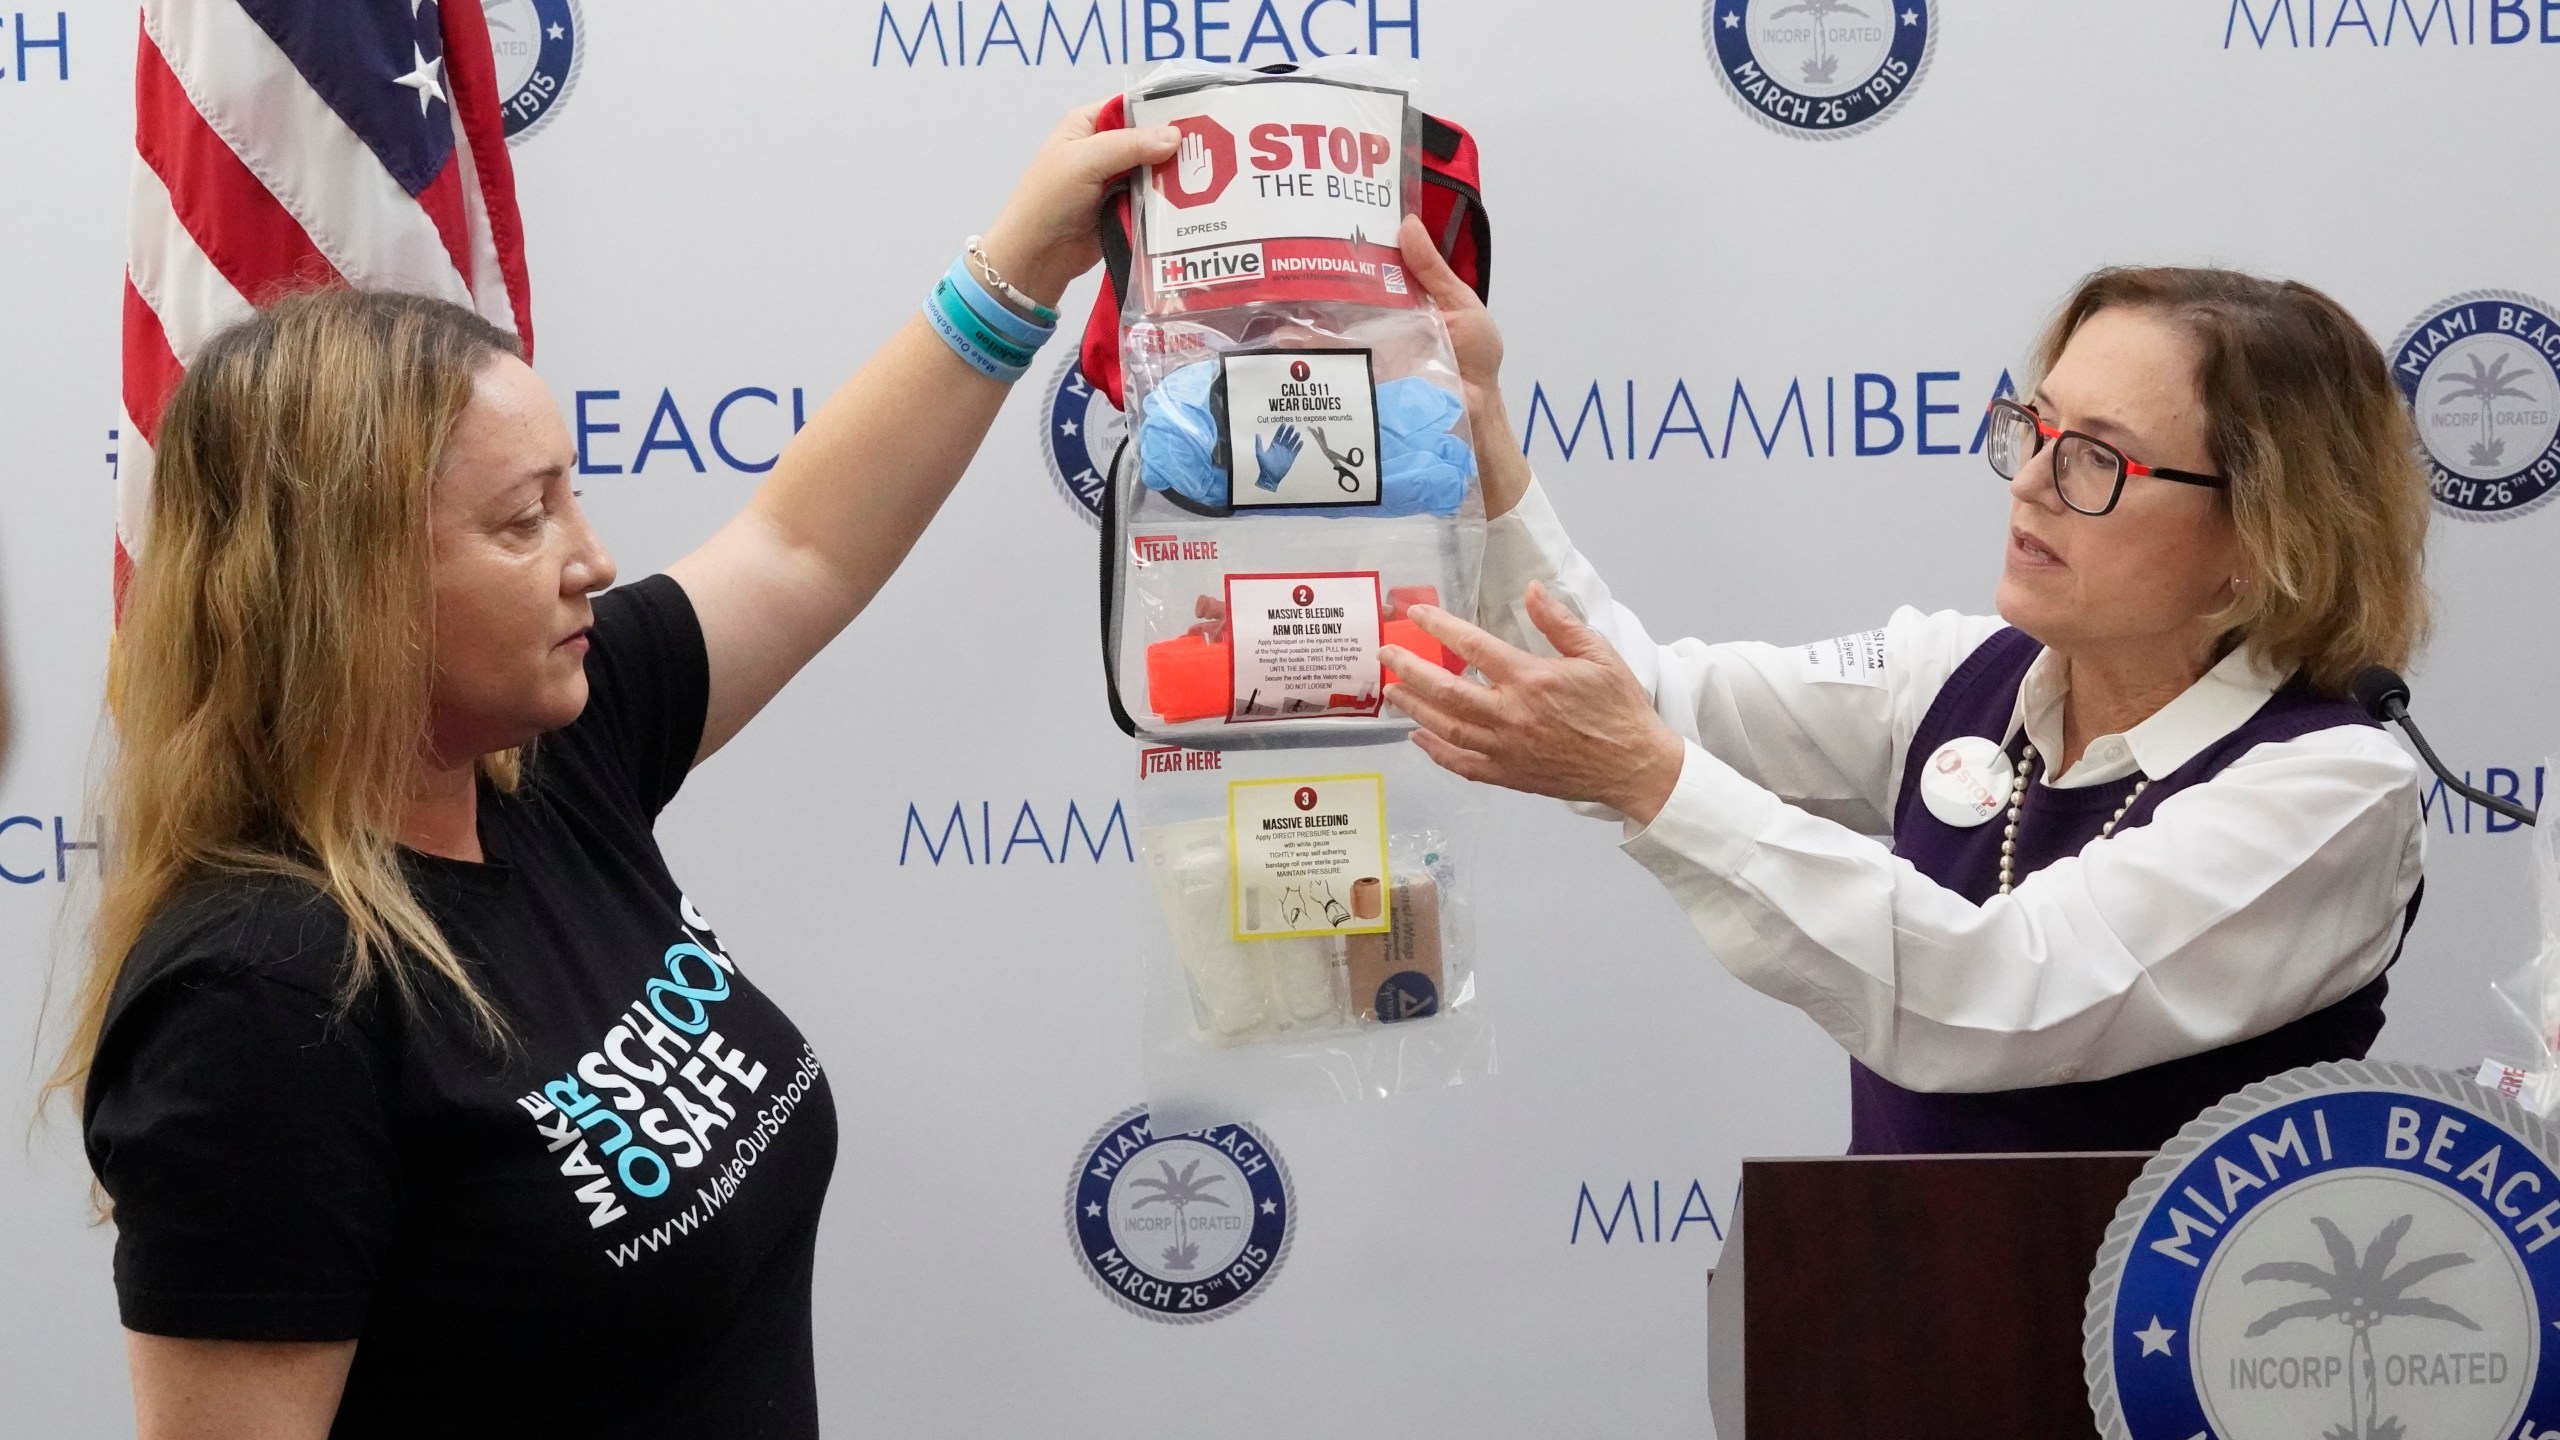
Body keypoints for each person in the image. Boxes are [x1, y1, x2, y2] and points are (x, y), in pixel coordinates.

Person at [52, 109, 1181, 1438]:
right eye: (524, 520)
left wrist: (1022, 261)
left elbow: (800, 547)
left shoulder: (544, 757)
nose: (591, 557)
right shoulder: (261, 1002)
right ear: (348, 590)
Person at [1377, 249, 2431, 1156]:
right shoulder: (1959, 676)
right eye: (2035, 426)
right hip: (1904, 1328)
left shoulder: (2330, 790)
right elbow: (1648, 702)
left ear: (2262, 536)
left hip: (2161, 1371)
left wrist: (1646, 775)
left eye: (2097, 458)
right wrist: (1475, 442)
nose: (2029, 482)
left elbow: (2000, 1000)